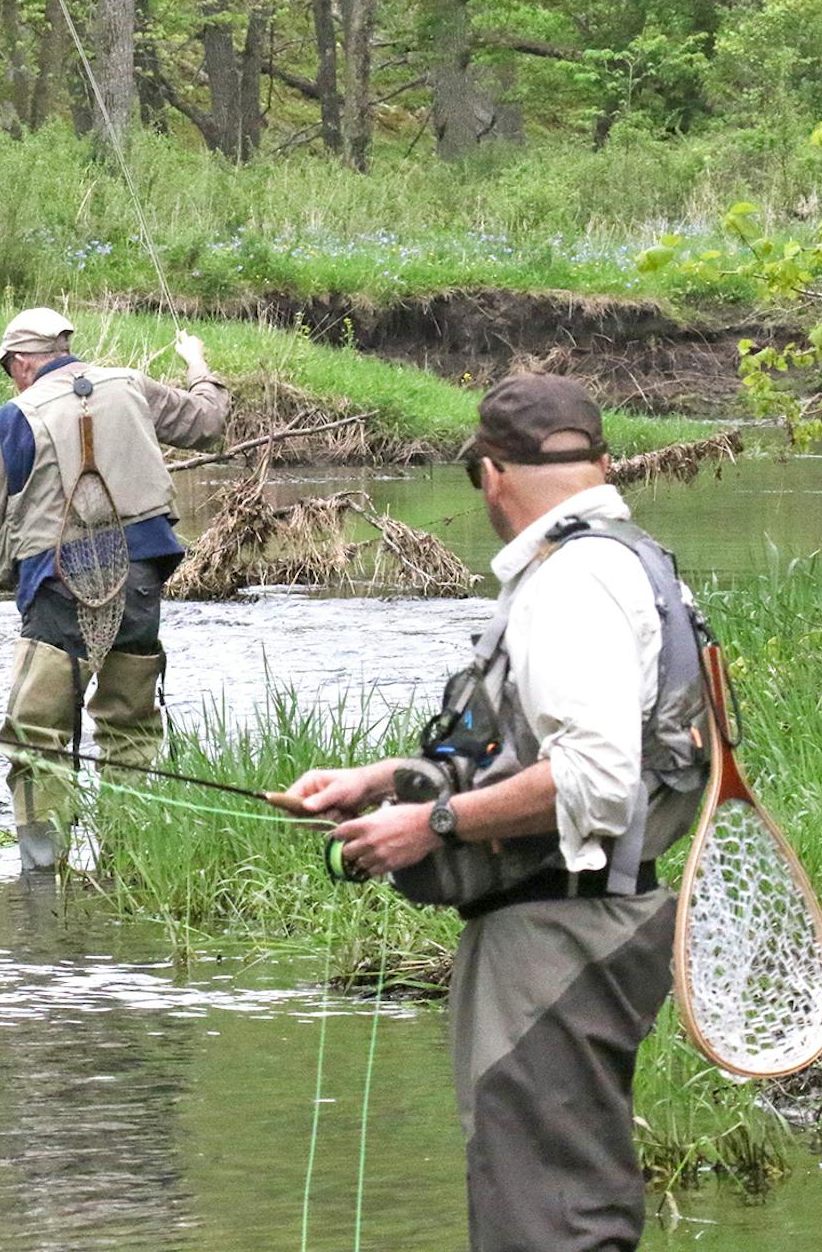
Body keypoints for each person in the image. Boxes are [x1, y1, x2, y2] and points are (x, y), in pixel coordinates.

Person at [284, 372, 710, 1252]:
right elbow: (542, 749)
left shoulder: (572, 583)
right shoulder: (631, 561)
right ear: (599, 463)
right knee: (556, 1199)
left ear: (492, 475)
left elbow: (595, 776)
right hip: (594, 916)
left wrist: (428, 826)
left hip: (558, 933)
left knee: (547, 1221)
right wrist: (380, 777)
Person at [0, 307, 229, 874]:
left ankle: (42, 870)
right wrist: (196, 361)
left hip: (57, 583)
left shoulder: (16, 416)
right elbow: (207, 422)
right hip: (140, 576)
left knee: (37, 731)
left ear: (24, 362)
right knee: (129, 722)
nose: (11, 376)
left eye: (9, 366)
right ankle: (127, 863)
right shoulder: (131, 384)